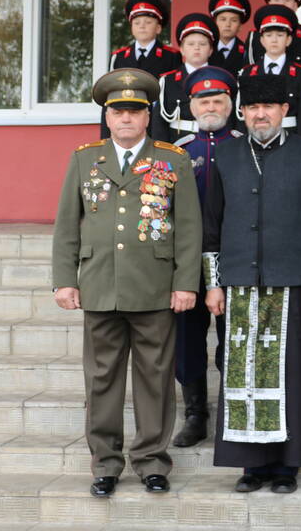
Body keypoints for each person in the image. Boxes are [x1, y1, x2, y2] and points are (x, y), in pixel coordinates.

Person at [51, 69, 201, 498]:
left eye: (135, 111)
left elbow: (189, 227)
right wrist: (64, 280)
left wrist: (186, 283)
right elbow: (67, 225)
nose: (126, 118)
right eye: (118, 111)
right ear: (107, 116)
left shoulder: (173, 159)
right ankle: (105, 463)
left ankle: (152, 462)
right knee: (101, 379)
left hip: (154, 285)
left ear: (148, 116)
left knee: (155, 378)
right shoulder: (85, 159)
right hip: (99, 284)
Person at [202, 73, 301, 494]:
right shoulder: (226, 155)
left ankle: (287, 466)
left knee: (291, 375)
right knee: (241, 375)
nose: (261, 115)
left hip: (293, 281)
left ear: (284, 111)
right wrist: (213, 283)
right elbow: (212, 223)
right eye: (253, 108)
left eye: (269, 107)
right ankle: (251, 465)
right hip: (239, 281)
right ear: (242, 112)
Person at [171, 66, 243, 448]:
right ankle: (195, 413)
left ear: (230, 105)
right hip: (190, 262)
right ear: (192, 106)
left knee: (233, 337)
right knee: (187, 340)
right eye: (204, 101)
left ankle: (232, 408)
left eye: (217, 100)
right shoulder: (178, 151)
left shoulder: (244, 145)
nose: (210, 107)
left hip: (235, 259)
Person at [240, 5, 301, 137]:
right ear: (262, 40)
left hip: (291, 136)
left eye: (280, 35)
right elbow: (244, 113)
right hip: (258, 135)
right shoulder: (249, 73)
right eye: (268, 35)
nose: (274, 40)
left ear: (288, 40)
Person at [154, 13, 217, 143]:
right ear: (182, 49)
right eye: (191, 44)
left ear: (211, 50)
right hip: (177, 143)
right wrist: (162, 151)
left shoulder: (222, 80)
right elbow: (159, 124)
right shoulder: (167, 81)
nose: (197, 48)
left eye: (202, 44)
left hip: (213, 143)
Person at [108, 0, 181, 77]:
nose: (142, 26)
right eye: (137, 23)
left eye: (148, 22)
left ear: (158, 28)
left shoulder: (171, 57)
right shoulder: (118, 57)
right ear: (132, 28)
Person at [208, 0, 251, 75]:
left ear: (240, 26)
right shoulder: (205, 49)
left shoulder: (247, 52)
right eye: (223, 19)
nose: (228, 24)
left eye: (234, 20)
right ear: (215, 23)